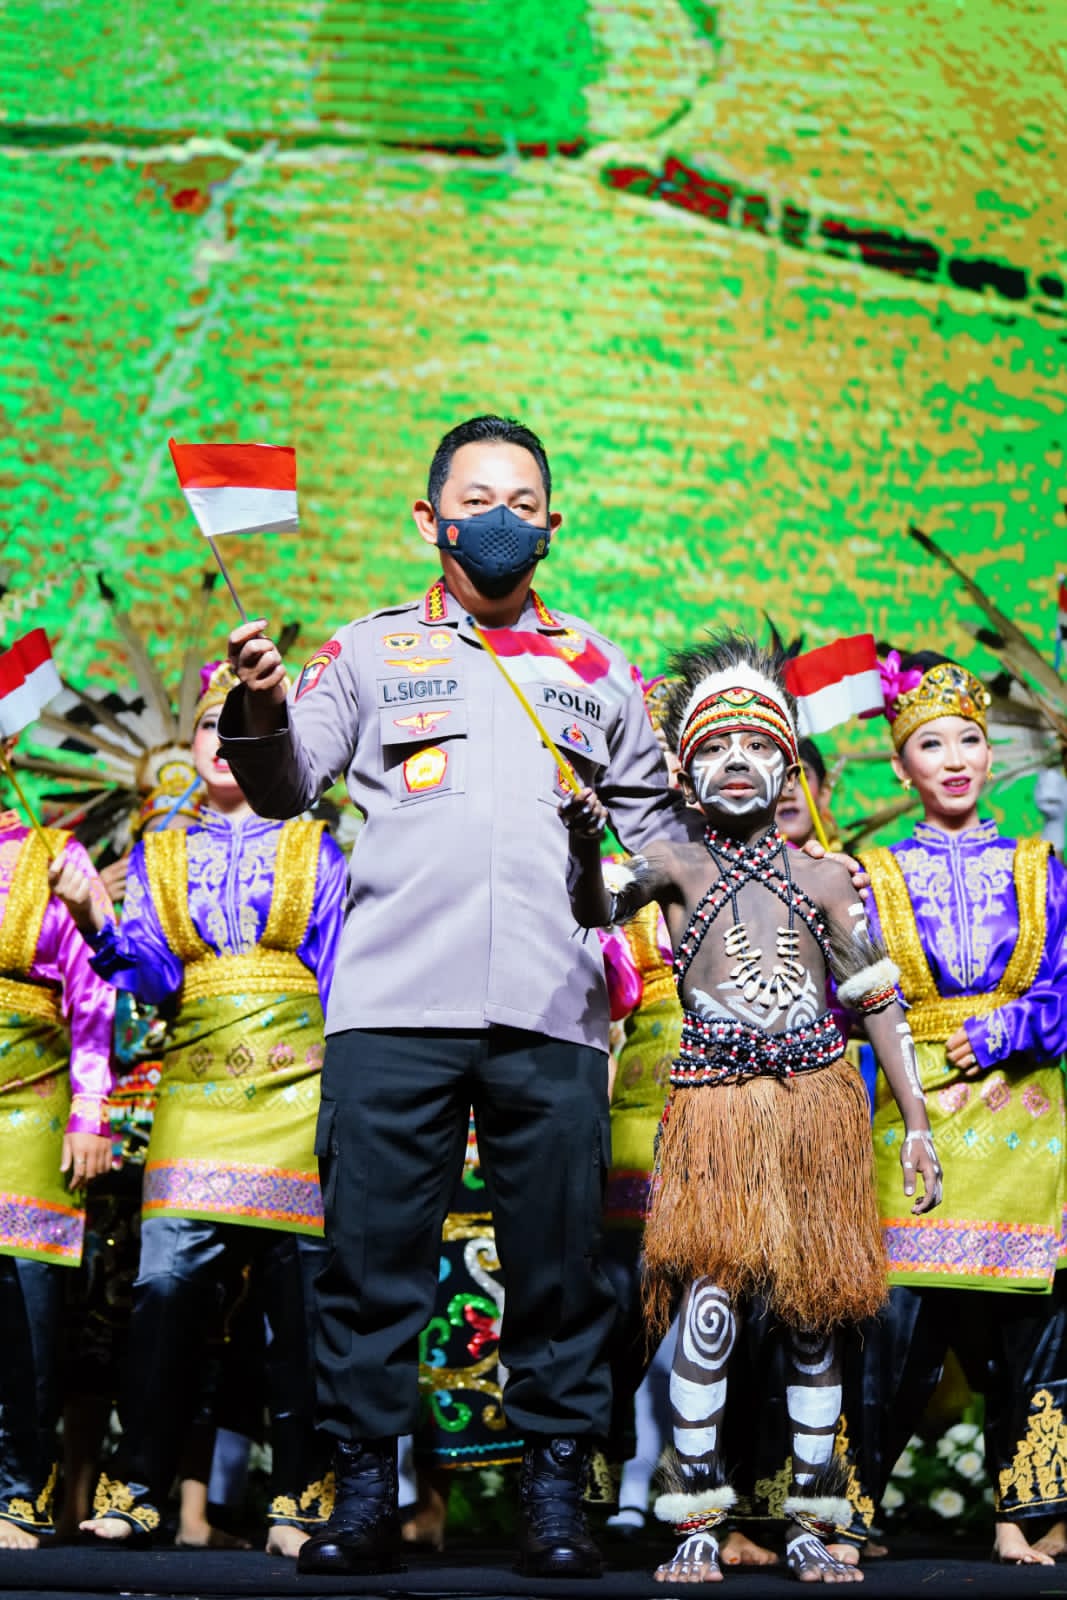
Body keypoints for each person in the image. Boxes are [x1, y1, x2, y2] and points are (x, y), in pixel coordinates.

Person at [218, 414, 697, 1580]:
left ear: (552, 525)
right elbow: (284, 787)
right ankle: (360, 1497)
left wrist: (633, 884)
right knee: (369, 1262)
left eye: (522, 503)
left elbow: (659, 836)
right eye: (475, 500)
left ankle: (553, 1498)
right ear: (427, 518)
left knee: (559, 1270)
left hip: (553, 1005)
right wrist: (260, 706)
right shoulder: (367, 650)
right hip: (393, 1004)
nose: (499, 520)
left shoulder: (597, 667)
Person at [558, 632, 942, 1585]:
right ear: (685, 778)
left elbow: (876, 998)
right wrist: (580, 842)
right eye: (717, 748)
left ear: (787, 769)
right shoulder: (671, 865)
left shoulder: (826, 878)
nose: (738, 761)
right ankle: (694, 1519)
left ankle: (809, 1518)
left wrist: (917, 1123)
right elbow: (593, 910)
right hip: (716, 1112)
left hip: (815, 1110)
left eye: (759, 747)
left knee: (813, 1320)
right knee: (709, 1310)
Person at [49, 662, 347, 1557]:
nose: (221, 742)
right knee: (164, 1291)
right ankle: (137, 1491)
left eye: (240, 724)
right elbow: (148, 975)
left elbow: (341, 979)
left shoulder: (318, 849)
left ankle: (299, 1501)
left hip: (299, 1089)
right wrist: (94, 918)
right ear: (189, 745)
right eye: (209, 726)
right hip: (196, 1091)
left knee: (299, 1304)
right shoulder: (160, 853)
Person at [852, 650, 1067, 1565]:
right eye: (930, 744)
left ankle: (1024, 1516)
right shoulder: (868, 875)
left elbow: (1064, 984)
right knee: (891, 1321)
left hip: (1024, 1121)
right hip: (916, 1121)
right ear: (901, 766)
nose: (953, 759)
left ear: (987, 755)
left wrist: (1011, 1024)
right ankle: (845, 1510)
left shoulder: (1040, 866)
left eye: (968, 741)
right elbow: (847, 997)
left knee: (1033, 1327)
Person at [0, 784, 116, 1549]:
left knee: (25, 1297)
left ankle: (18, 1492)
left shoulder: (54, 855)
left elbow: (94, 988)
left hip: (30, 1096)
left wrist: (89, 1108)